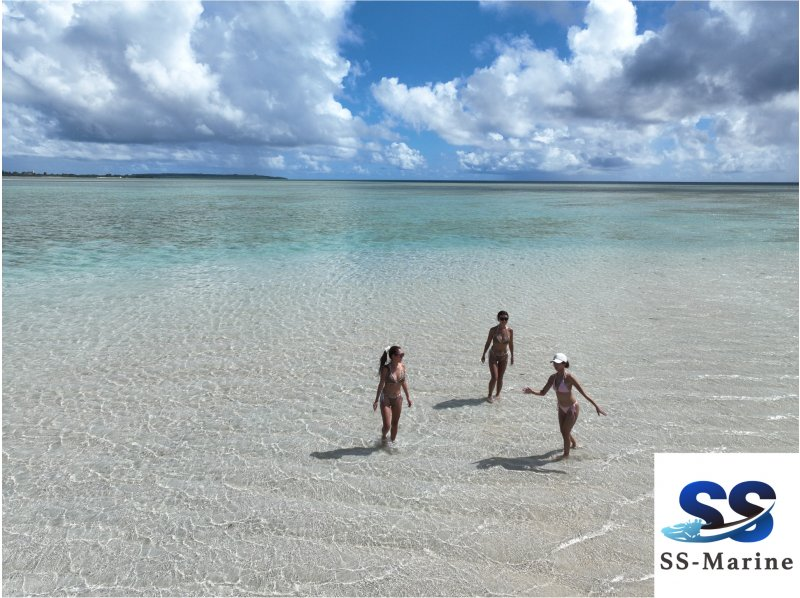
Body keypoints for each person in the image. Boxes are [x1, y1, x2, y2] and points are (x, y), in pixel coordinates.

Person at [522, 353, 606, 460]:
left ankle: (566, 456)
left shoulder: (569, 377)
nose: (555, 365)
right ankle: (574, 444)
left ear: (564, 363)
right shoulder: (552, 378)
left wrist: (596, 406)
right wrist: (532, 391)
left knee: (565, 432)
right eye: (554, 363)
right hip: (561, 407)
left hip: (572, 408)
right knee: (563, 431)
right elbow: (543, 392)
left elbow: (583, 393)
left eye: (557, 363)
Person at [374, 345, 412, 445]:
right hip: (386, 397)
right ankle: (383, 437)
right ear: (393, 356)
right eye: (400, 355)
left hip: (398, 397)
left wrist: (408, 397)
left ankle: (392, 444)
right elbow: (381, 384)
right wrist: (376, 400)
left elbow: (403, 382)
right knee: (387, 426)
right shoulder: (386, 369)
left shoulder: (402, 366)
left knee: (395, 424)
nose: (402, 356)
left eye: (402, 354)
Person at [480, 311, 514, 402]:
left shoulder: (510, 330)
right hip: (493, 356)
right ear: (498, 319)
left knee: (500, 377)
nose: (504, 320)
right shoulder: (493, 330)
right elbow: (488, 342)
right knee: (494, 377)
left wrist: (512, 356)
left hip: (504, 356)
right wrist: (483, 354)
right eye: (502, 318)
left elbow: (511, 344)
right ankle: (489, 395)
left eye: (506, 318)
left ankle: (498, 394)